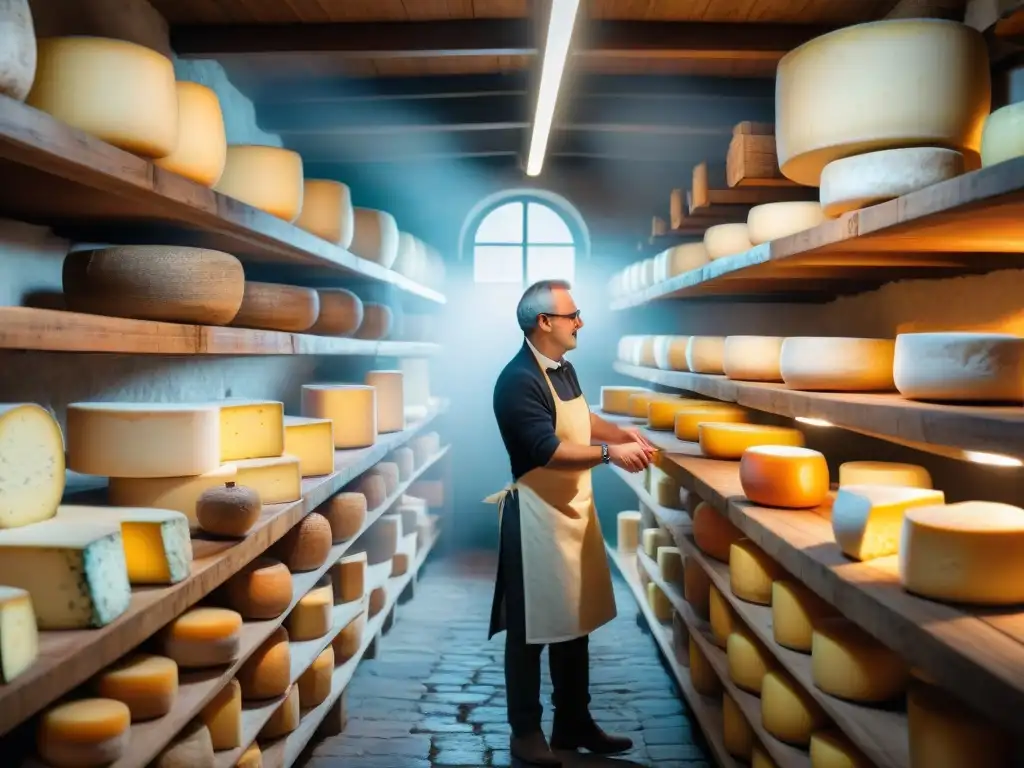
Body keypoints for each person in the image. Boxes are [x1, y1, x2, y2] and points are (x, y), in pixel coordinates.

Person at [487, 279, 657, 766]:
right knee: (530, 630)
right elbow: (549, 450)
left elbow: (580, 418)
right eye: (572, 314)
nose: (580, 321)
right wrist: (610, 453)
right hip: (536, 517)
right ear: (545, 323)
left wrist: (618, 432)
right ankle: (525, 732)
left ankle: (573, 722)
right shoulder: (517, 380)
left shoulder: (563, 368)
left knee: (574, 620)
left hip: (573, 512)